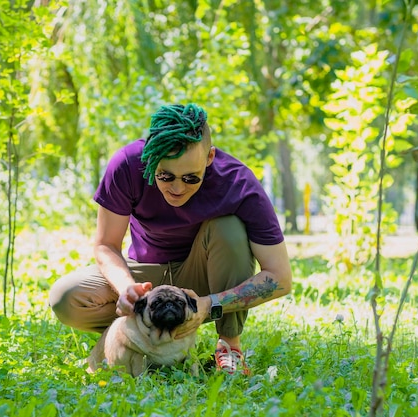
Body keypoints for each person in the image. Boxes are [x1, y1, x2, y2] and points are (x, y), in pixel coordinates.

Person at [49, 103, 292, 375]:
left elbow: (280, 277)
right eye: (165, 175)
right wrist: (127, 288)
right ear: (150, 158)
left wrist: (208, 304)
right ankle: (139, 337)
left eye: (191, 178)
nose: (177, 188)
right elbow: (106, 245)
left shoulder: (238, 183)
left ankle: (228, 345)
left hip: (203, 275)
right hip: (146, 276)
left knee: (230, 228)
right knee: (66, 297)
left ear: (209, 157)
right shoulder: (126, 165)